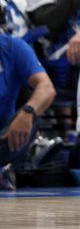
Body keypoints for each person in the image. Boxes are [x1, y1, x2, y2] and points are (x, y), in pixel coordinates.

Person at [0, 33, 55, 189]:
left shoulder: (13, 47)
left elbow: (46, 88)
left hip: (4, 137)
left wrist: (28, 111)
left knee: (32, 116)